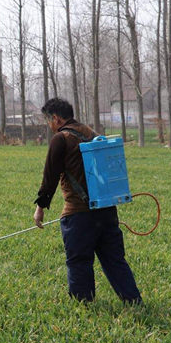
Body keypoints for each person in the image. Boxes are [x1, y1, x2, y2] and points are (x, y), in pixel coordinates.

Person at [33, 98, 142, 304]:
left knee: (79, 262)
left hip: (78, 214)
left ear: (55, 118)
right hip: (107, 210)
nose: (49, 126)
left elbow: (50, 178)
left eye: (48, 121)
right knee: (115, 260)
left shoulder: (61, 138)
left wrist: (40, 208)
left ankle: (84, 306)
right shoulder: (93, 134)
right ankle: (133, 300)